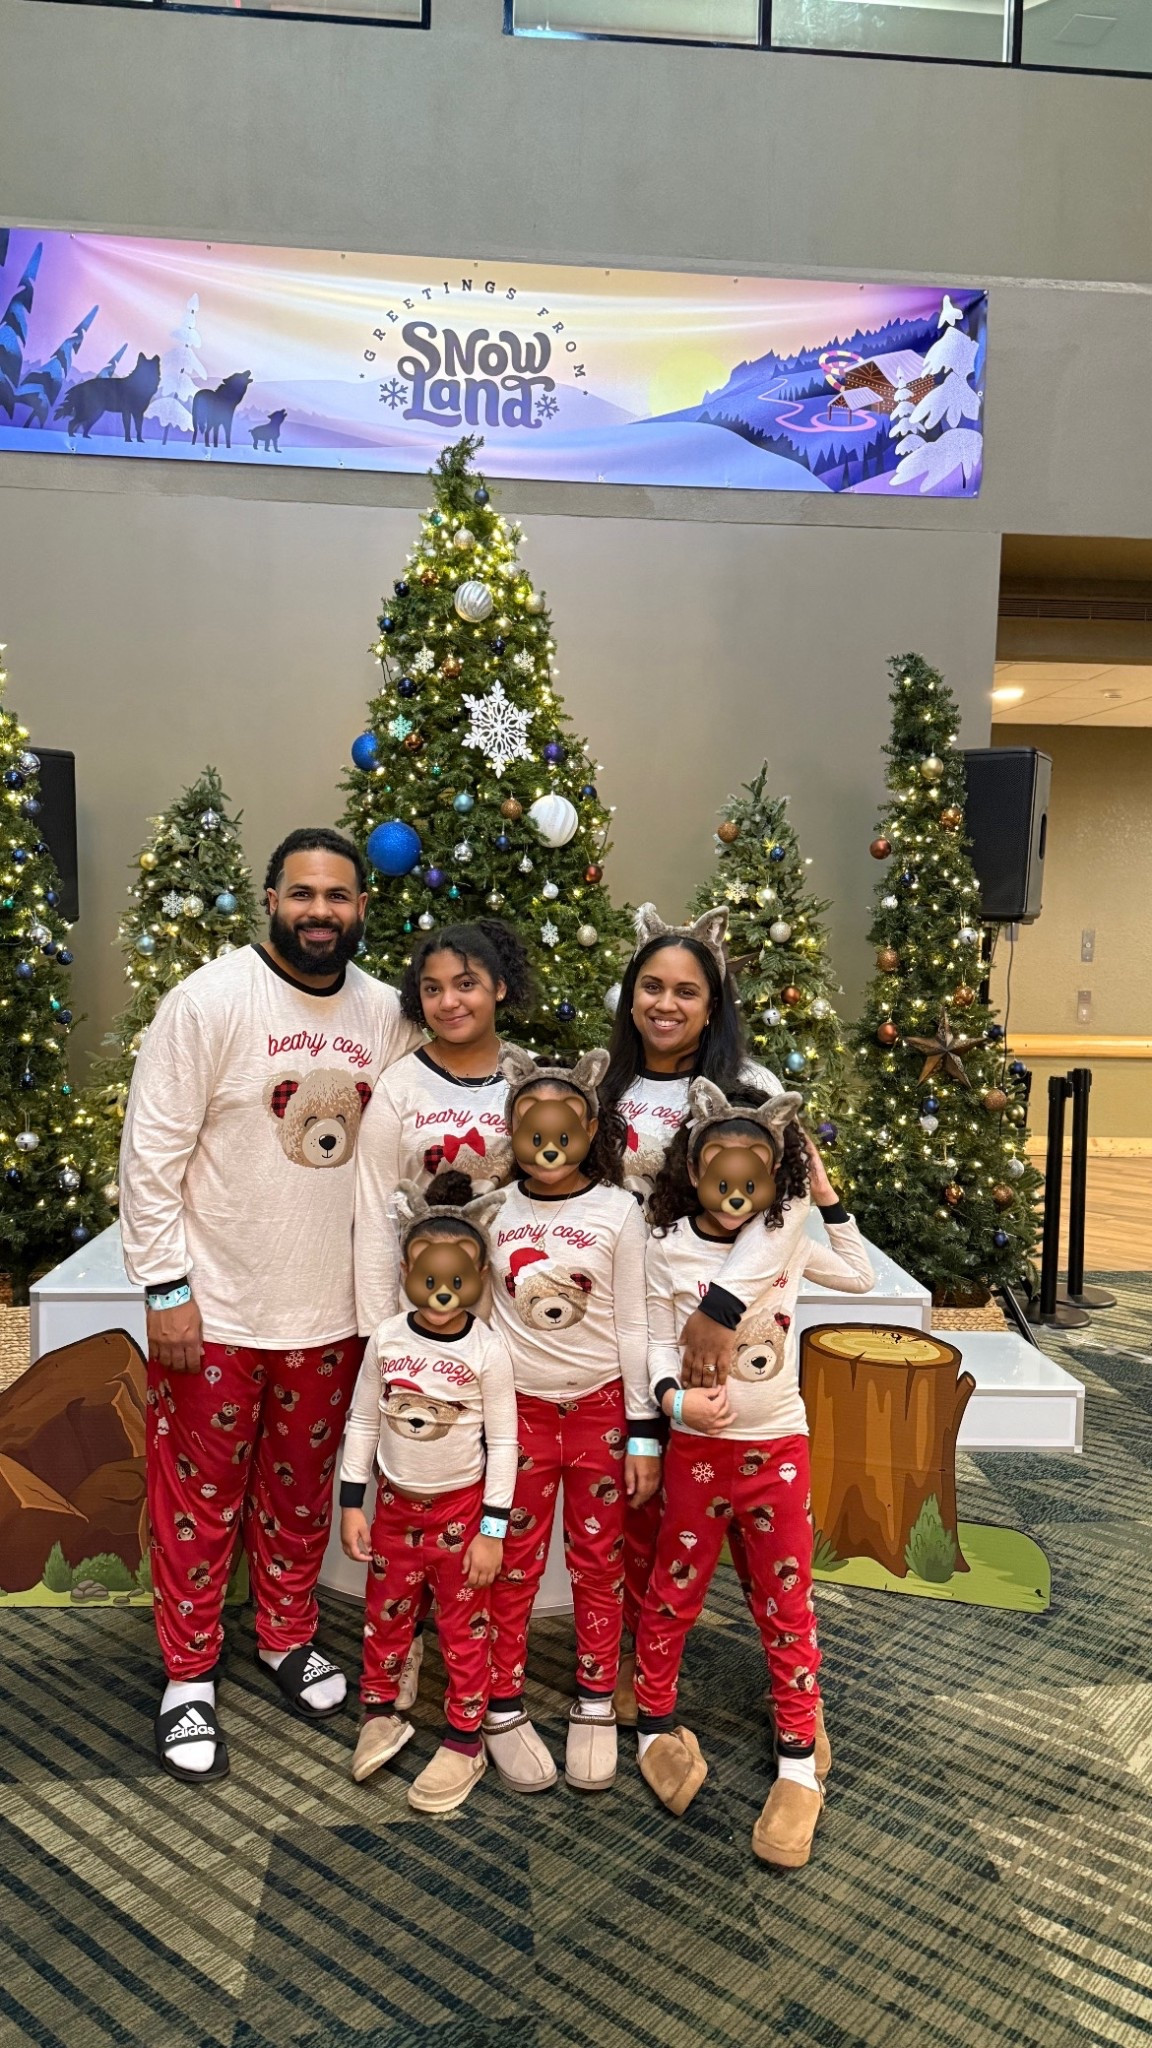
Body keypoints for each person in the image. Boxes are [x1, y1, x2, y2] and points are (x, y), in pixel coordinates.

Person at [120, 826, 421, 1783]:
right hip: (217, 1312)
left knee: (297, 1495)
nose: (321, 912)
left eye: (338, 896)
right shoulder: (210, 1002)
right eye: (304, 894)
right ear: (272, 899)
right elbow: (151, 1155)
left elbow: (456, 1090)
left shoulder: (385, 1014)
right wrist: (167, 1292)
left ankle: (287, 1636)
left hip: (330, 1318)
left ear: (362, 906)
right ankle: (189, 1675)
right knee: (199, 1500)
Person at [633, 1081, 873, 1869]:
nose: (735, 1199)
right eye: (719, 1181)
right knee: (674, 1590)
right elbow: (660, 1345)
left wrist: (827, 1195)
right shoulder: (667, 1246)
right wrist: (672, 1403)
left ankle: (801, 1762)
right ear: (692, 1172)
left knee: (786, 1602)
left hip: (777, 1452)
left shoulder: (789, 1241)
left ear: (776, 1182)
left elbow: (861, 1276)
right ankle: (653, 1726)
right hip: (699, 1457)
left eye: (753, 1185)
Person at [600, 901, 787, 1715]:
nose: (665, 1005)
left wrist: (717, 1306)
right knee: (650, 1498)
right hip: (632, 1318)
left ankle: (793, 1685)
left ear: (713, 1004)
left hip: (731, 1332)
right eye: (651, 986)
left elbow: (789, 1219)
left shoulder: (754, 1091)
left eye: (685, 991)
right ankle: (649, 1672)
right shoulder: (604, 1088)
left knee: (756, 1512)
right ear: (630, 994)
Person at [352, 917, 532, 1715]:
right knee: (415, 1499)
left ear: (499, 986)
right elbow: (371, 1210)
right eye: (432, 988)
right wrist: (380, 1334)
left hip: (507, 1330)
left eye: (466, 983)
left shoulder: (529, 1082)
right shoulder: (400, 1086)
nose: (449, 1000)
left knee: (480, 1499)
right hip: (419, 1333)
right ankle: (408, 1648)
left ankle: (487, 1669)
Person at [480, 1048, 659, 1797]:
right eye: (533, 1135)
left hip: (600, 1412)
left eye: (565, 1135)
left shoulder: (619, 1211)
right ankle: (500, 1704)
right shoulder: (493, 1211)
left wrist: (644, 1429)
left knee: (597, 1562)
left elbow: (633, 1326)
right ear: (513, 1131)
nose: (549, 1151)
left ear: (591, 1130)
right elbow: (484, 1320)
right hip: (517, 1417)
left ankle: (592, 1702)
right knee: (510, 1564)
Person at [339, 1172, 517, 1814]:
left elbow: (505, 1445)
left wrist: (492, 1531)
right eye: (428, 1280)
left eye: (457, 1282)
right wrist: (351, 1504)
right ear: (407, 1273)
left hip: (461, 1518)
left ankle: (465, 1739)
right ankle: (380, 1712)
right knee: (384, 1620)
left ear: (480, 1277)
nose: (443, 1296)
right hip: (392, 1511)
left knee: (464, 1630)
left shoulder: (489, 1350)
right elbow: (363, 1420)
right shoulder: (386, 1341)